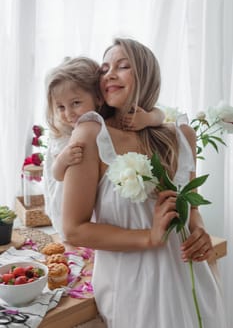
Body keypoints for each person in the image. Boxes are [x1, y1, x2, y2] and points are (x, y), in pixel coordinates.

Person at [61, 38, 227, 328]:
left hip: (193, 283)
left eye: (123, 66)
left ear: (147, 76)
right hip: (133, 291)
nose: (109, 74)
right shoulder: (90, 134)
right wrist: (148, 238)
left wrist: (199, 230)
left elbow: (192, 207)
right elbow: (73, 230)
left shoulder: (182, 136)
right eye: (104, 69)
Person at [43, 56, 165, 242]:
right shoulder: (64, 136)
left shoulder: (105, 125)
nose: (68, 113)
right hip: (67, 203)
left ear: (98, 99)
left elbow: (161, 113)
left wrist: (147, 118)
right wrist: (62, 161)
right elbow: (57, 175)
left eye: (76, 103)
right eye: (60, 107)